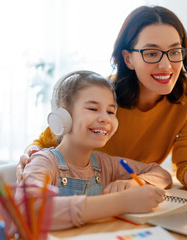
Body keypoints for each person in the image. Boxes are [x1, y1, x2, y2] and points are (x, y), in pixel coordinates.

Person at [18, 5, 187, 189]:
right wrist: (31, 155)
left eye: (174, 51)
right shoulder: (103, 93)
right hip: (85, 191)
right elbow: (45, 142)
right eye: (151, 53)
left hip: (131, 194)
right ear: (128, 58)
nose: (166, 65)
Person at [17, 70, 172, 230]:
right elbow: (30, 211)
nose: (105, 118)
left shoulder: (104, 164)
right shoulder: (44, 162)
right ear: (64, 116)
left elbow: (162, 174)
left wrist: (132, 183)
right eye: (92, 109)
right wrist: (121, 202)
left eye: (110, 112)